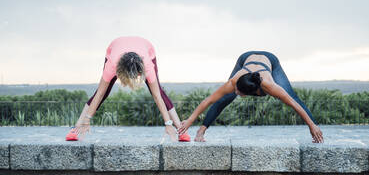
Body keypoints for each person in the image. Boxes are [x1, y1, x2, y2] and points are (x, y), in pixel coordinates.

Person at [178, 51, 323, 143]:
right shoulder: (234, 82)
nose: (235, 92)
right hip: (245, 58)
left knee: (292, 96)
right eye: (236, 90)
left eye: (238, 92)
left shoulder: (270, 86)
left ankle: (316, 131)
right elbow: (208, 100)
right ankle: (201, 131)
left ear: (249, 93)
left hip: (270, 60)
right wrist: (190, 120)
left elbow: (293, 103)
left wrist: (311, 125)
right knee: (225, 98)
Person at [66, 36, 190, 142]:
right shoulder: (112, 65)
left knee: (158, 90)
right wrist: (86, 121)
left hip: (146, 47)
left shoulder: (147, 65)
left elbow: (157, 95)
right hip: (115, 48)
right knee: (103, 92)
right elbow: (99, 94)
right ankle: (76, 127)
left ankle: (180, 129)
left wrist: (168, 124)